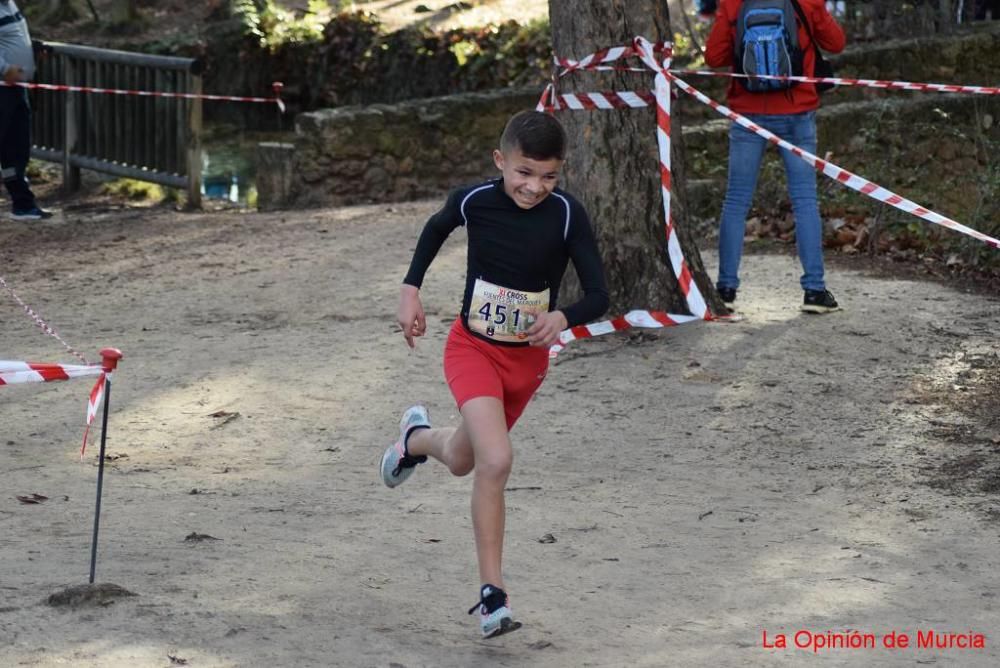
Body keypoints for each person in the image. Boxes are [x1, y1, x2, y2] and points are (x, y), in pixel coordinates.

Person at [380, 110, 609, 638]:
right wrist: (410, 289)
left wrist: (562, 317)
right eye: (524, 172)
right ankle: (493, 597)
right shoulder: (474, 200)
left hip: (525, 363)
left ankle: (414, 439)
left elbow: (598, 293)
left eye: (549, 176)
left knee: (463, 459)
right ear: (500, 161)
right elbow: (436, 227)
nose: (534, 187)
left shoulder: (568, 216)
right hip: (472, 350)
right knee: (497, 459)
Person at [705, 0, 845, 312]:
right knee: (805, 200)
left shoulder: (732, 2)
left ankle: (725, 288)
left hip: (746, 113)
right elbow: (836, 43)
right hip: (797, 112)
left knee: (736, 200)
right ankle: (814, 291)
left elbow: (713, 57)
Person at [0, 0, 50, 220]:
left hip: (17, 88)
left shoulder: (9, 3)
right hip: (2, 88)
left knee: (17, 148)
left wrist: (33, 47)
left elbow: (13, 36)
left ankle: (22, 204)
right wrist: (3, 69)